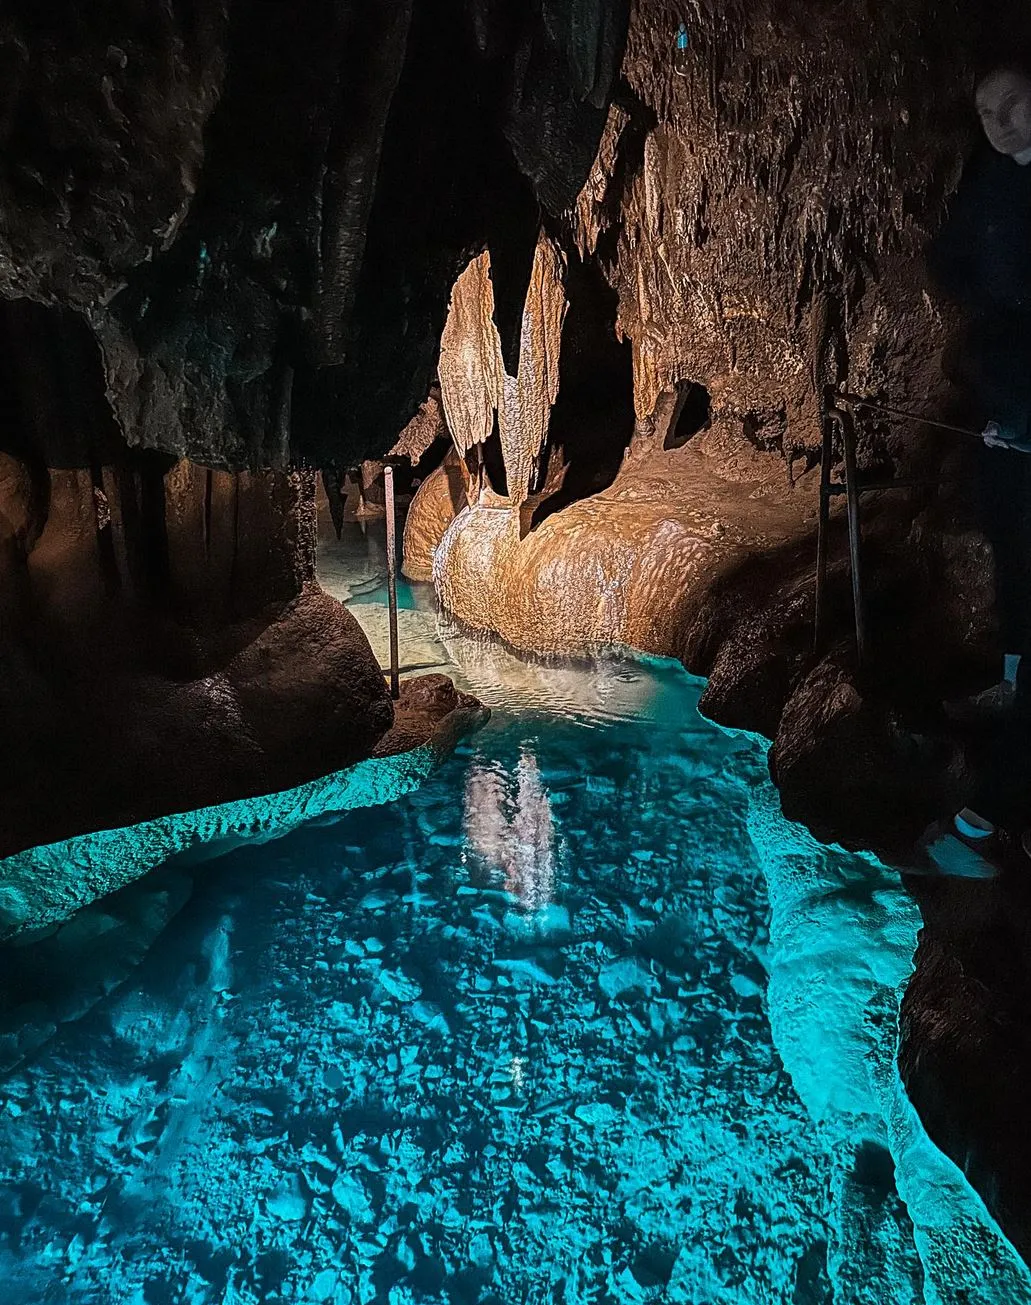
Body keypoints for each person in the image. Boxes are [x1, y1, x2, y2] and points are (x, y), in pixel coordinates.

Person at [932, 65, 1031, 721]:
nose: (997, 124)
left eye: (1010, 106)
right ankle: (1014, 682)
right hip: (1008, 391)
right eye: (985, 113)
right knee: (1012, 545)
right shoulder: (989, 182)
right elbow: (948, 258)